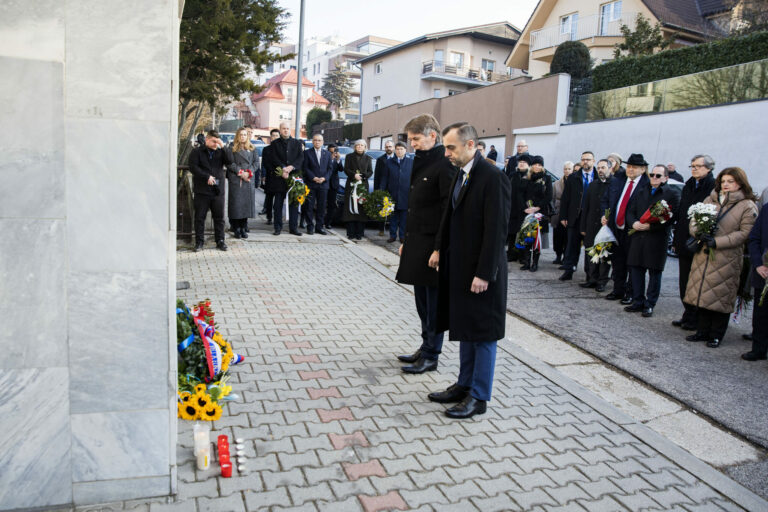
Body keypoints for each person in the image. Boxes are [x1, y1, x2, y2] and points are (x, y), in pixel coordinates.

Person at [429, 122, 510, 419]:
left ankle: (479, 397)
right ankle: (464, 385)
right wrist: (439, 249)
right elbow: (449, 216)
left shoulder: (493, 177)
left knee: (483, 335)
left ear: (471, 145)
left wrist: (484, 273)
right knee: (465, 328)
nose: (446, 153)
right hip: (461, 268)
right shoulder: (461, 173)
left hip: (482, 272)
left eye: (451, 147)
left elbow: (496, 230)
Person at [396, 114, 456, 374]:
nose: (412, 144)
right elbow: (415, 206)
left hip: (432, 246)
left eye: (416, 139)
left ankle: (432, 355)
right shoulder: (422, 160)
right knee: (422, 302)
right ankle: (425, 346)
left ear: (433, 135)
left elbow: (447, 210)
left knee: (433, 305)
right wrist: (406, 241)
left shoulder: (444, 164)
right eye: (410, 140)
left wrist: (439, 248)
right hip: (417, 242)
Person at [684, 167, 757, 348]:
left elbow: (745, 233)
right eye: (723, 181)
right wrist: (699, 233)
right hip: (703, 256)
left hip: (726, 258)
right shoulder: (711, 199)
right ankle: (701, 331)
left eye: (730, 181)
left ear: (740, 183)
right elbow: (694, 220)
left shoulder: (747, 205)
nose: (726, 185)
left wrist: (717, 242)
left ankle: (716, 334)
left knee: (721, 296)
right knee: (702, 293)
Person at [624, 165, 679, 317]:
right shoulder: (642, 190)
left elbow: (671, 217)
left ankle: (650, 304)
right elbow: (630, 210)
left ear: (666, 178)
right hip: (638, 236)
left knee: (654, 273)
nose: (654, 178)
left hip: (656, 238)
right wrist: (633, 223)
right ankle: (638, 301)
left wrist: (651, 226)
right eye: (652, 175)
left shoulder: (671, 194)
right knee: (636, 270)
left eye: (658, 175)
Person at [671, 155, 716, 330]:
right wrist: (676, 239)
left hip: (699, 242)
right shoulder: (689, 185)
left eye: (698, 166)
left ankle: (696, 318)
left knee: (696, 282)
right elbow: (682, 215)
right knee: (684, 282)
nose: (694, 169)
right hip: (684, 240)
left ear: (709, 168)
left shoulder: (712, 187)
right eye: (692, 166)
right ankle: (688, 314)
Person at [601, 153, 649, 301]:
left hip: (633, 231)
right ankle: (618, 290)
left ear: (642, 169)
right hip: (616, 229)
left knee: (632, 264)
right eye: (629, 166)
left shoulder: (646, 185)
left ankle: (630, 293)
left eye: (635, 167)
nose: (630, 169)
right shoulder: (618, 181)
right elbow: (606, 200)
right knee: (617, 262)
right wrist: (605, 215)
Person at [188, 129, 232, 252]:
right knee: (199, 217)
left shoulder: (220, 151)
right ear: (207, 139)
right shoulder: (197, 152)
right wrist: (206, 176)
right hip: (202, 190)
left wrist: (223, 146)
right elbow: (193, 167)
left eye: (217, 142)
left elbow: (230, 161)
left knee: (219, 218)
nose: (215, 144)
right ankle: (199, 242)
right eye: (213, 141)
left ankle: (220, 241)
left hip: (217, 190)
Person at [558, 151, 597, 280]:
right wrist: (563, 216)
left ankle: (590, 275)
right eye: (583, 159)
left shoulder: (598, 177)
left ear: (593, 161)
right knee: (572, 246)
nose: (585, 162)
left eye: (588, 159)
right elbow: (565, 198)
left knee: (589, 247)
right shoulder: (573, 177)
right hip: (575, 217)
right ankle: (568, 270)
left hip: (591, 218)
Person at [264, 122, 304, 236]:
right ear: (280, 130)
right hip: (279, 178)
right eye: (283, 128)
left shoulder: (297, 143)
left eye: (287, 128)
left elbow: (300, 158)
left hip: (294, 177)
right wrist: (283, 169)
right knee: (278, 205)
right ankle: (277, 227)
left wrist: (291, 167)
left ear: (290, 129)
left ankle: (293, 228)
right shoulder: (275, 143)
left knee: (294, 204)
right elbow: (273, 158)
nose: (286, 130)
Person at [579, 159, 613, 291]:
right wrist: (583, 226)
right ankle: (591, 278)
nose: (600, 170)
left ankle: (602, 281)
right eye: (598, 168)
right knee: (590, 253)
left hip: (605, 226)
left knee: (603, 254)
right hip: (591, 225)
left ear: (610, 168)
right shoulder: (593, 185)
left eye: (603, 167)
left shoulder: (615, 184)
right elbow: (585, 207)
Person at [519, 155, 552, 272]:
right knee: (527, 237)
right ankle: (526, 262)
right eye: (535, 164)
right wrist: (525, 208)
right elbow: (521, 194)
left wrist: (537, 208)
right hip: (527, 211)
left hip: (540, 212)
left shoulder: (546, 178)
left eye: (539, 165)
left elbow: (549, 196)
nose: (537, 167)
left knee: (536, 238)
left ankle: (535, 263)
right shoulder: (526, 177)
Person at [743, 206, 768, 360]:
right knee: (760, 314)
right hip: (762, 272)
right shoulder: (766, 210)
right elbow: (754, 238)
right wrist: (758, 264)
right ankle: (758, 349)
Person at [226, 127, 259, 239]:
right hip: (236, 179)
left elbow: (256, 163)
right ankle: (236, 228)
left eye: (245, 135)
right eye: (241, 134)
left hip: (248, 179)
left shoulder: (252, 148)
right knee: (236, 205)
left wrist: (249, 172)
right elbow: (229, 163)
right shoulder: (232, 148)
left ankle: (244, 227)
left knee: (246, 205)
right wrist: (240, 172)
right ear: (237, 136)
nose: (243, 137)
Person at [381, 142, 412, 242]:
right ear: (395, 150)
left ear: (405, 150)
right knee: (393, 217)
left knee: (404, 218)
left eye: (401, 149)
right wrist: (382, 191)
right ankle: (392, 235)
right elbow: (385, 178)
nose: (399, 151)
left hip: (405, 195)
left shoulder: (411, 162)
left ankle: (402, 236)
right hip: (392, 194)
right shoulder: (389, 162)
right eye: (397, 149)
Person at [342, 140, 373, 240]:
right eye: (358, 145)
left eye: (362, 145)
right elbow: (346, 169)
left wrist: (363, 176)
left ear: (365, 147)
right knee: (350, 209)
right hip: (351, 185)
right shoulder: (349, 157)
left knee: (361, 208)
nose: (359, 147)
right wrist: (354, 175)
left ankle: (359, 233)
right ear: (355, 147)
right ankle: (350, 233)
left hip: (363, 185)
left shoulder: (368, 158)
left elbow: (370, 171)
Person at [303, 133, 332, 235]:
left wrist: (324, 178)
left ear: (323, 142)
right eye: (315, 140)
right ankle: (310, 227)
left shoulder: (327, 154)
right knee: (309, 207)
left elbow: (330, 169)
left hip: (323, 184)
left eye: (319, 140)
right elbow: (305, 168)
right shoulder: (307, 153)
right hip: (311, 184)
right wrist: (313, 177)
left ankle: (319, 227)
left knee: (321, 207)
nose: (317, 142)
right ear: (312, 142)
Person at [506, 154, 531, 262]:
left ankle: (522, 255)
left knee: (523, 233)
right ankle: (511, 253)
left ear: (528, 165)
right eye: (520, 162)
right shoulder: (513, 175)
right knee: (512, 232)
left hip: (525, 209)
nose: (521, 164)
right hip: (512, 208)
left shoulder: (530, 176)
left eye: (524, 162)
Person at [551, 161, 573, 264]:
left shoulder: (575, 182)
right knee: (557, 236)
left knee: (567, 237)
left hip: (569, 212)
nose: (567, 171)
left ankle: (566, 256)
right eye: (565, 169)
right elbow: (552, 198)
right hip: (558, 212)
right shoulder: (556, 183)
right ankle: (558, 255)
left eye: (569, 169)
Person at [374, 141, 395, 235]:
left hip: (394, 188)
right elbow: (377, 176)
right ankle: (381, 229)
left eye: (390, 146)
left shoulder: (397, 158)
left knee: (393, 210)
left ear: (393, 147)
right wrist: (377, 190)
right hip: (383, 188)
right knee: (383, 209)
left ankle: (392, 231)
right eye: (386, 147)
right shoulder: (380, 159)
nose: (388, 148)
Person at [260, 128, 280, 223]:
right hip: (270, 176)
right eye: (273, 136)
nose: (275, 137)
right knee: (269, 198)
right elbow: (264, 163)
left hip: (280, 177)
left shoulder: (282, 149)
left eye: (277, 136)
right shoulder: (266, 149)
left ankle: (277, 217)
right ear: (270, 137)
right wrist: (263, 175)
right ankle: (269, 217)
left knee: (278, 199)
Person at [324, 144, 343, 229]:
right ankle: (320, 222)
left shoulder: (337, 160)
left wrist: (338, 159)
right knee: (322, 204)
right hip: (324, 183)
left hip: (333, 185)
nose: (333, 154)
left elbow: (341, 169)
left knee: (331, 205)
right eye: (331, 152)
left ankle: (328, 223)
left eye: (334, 152)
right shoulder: (324, 158)